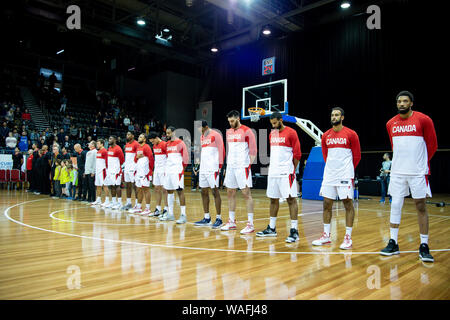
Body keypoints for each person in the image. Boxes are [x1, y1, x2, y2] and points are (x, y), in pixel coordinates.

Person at [380, 91, 438, 262]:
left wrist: (421, 164)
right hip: (398, 172)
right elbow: (394, 146)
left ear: (411, 103)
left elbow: (432, 144)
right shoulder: (390, 123)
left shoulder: (424, 120)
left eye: (405, 101)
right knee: (395, 205)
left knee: (420, 206)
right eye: (399, 101)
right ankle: (393, 242)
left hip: (417, 172)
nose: (402, 104)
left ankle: (424, 245)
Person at [311, 107, 361, 250]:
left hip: (345, 174)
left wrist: (348, 171)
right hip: (329, 175)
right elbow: (325, 155)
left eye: (337, 115)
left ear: (342, 117)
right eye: (332, 115)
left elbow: (357, 156)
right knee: (326, 204)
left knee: (347, 204)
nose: (334, 117)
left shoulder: (351, 134)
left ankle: (348, 237)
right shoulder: (325, 135)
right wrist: (332, 169)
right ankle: (326, 235)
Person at [256, 112, 302, 242]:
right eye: (272, 124)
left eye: (275, 123)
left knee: (291, 199)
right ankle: (271, 228)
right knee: (273, 199)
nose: (274, 125)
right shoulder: (272, 134)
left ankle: (294, 230)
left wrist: (291, 168)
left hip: (286, 172)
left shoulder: (292, 132)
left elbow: (297, 154)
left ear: (281, 120)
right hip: (273, 171)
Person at [220, 110, 257, 234]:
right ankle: (231, 222)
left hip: (242, 166)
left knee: (246, 193)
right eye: (229, 121)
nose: (230, 123)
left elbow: (253, 151)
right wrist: (227, 166)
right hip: (231, 166)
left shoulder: (247, 131)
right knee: (230, 192)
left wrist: (248, 166)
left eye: (232, 121)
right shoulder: (229, 132)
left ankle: (250, 224)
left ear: (238, 118)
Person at [194, 121, 225, 229]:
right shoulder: (202, 137)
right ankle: (207, 218)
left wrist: (220, 166)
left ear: (206, 127)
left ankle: (219, 218)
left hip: (213, 168)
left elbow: (222, 150)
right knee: (203, 191)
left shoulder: (216, 135)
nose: (198, 131)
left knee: (215, 192)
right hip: (203, 168)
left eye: (200, 128)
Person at [159, 126, 189, 224]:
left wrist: (181, 169)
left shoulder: (180, 143)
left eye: (169, 133)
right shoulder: (167, 144)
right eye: (166, 133)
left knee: (180, 191)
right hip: (168, 170)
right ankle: (170, 214)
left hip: (177, 170)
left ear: (173, 133)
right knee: (169, 191)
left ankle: (183, 215)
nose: (167, 135)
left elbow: (185, 158)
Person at [129, 134, 154, 215]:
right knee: (138, 189)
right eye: (138, 136)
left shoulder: (147, 147)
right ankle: (139, 207)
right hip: (138, 171)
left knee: (146, 189)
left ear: (144, 139)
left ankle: (147, 208)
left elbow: (151, 159)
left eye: (140, 137)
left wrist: (150, 171)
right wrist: (137, 157)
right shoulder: (138, 147)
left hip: (145, 172)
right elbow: (135, 159)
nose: (139, 138)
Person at [148, 132, 169, 217]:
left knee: (165, 189)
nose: (152, 143)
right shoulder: (154, 146)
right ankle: (158, 208)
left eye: (153, 141)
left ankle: (167, 209)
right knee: (156, 188)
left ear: (156, 138)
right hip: (157, 169)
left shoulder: (164, 144)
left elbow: (168, 157)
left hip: (164, 169)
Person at [102, 136, 124, 209]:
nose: (109, 140)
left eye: (110, 139)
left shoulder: (118, 149)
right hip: (110, 170)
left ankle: (120, 203)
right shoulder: (109, 148)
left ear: (115, 140)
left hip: (116, 171)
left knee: (117, 186)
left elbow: (122, 160)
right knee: (111, 186)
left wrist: (117, 168)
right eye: (109, 139)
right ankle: (114, 202)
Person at [121, 132, 139, 211]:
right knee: (127, 185)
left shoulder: (136, 144)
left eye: (129, 134)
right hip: (127, 167)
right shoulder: (127, 144)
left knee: (135, 185)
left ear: (133, 136)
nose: (127, 136)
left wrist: (136, 166)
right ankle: (129, 203)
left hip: (133, 167)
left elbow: (139, 155)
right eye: (126, 134)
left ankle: (137, 204)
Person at [91, 139, 110, 207]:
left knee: (104, 185)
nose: (97, 145)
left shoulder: (104, 151)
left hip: (103, 170)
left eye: (98, 144)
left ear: (102, 144)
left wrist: (106, 170)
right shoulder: (98, 151)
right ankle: (98, 200)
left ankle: (107, 200)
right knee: (98, 185)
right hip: (98, 171)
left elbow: (107, 161)